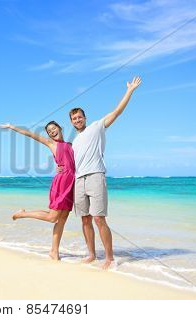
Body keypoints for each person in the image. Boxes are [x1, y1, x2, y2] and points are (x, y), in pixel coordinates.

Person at [61, 76, 142, 269]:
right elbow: (71, 163)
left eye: (79, 116)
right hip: (79, 181)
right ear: (71, 122)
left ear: (85, 118)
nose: (77, 120)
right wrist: (60, 168)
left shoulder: (97, 127)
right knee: (85, 219)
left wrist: (129, 91)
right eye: (74, 118)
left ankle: (110, 258)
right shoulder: (75, 142)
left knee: (99, 218)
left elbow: (117, 112)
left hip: (96, 176)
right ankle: (91, 254)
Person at [0, 121, 75, 260]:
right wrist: (12, 127)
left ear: (60, 128)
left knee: (62, 219)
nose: (52, 132)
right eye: (49, 131)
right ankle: (22, 214)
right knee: (52, 217)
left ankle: (54, 251)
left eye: (54, 129)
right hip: (61, 183)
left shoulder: (70, 145)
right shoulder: (52, 144)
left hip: (72, 184)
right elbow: (30, 135)